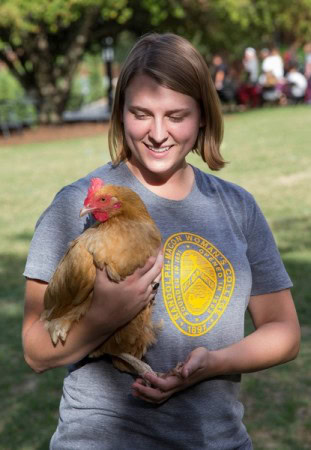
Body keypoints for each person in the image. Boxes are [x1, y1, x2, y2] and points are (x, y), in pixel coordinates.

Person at [23, 33, 300, 450]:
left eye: (176, 115)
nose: (157, 133)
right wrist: (103, 316)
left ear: (203, 115)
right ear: (120, 114)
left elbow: (284, 330)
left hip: (216, 440)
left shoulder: (237, 208)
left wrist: (213, 364)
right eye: (141, 113)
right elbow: (35, 350)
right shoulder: (77, 206)